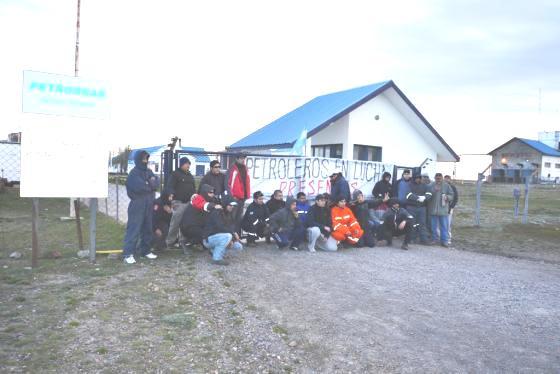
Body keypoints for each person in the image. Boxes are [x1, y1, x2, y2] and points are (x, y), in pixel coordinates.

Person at [122, 150, 159, 264]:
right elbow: (139, 187)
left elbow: (156, 183)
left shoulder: (149, 171)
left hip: (149, 203)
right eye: (143, 159)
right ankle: (128, 254)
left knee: (147, 228)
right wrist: (149, 184)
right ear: (138, 159)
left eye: (146, 158)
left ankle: (145, 251)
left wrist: (150, 184)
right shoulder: (133, 173)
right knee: (134, 229)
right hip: (137, 204)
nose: (145, 161)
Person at [179, 184, 222, 252]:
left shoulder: (208, 200)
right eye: (210, 192)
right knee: (204, 234)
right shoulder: (197, 198)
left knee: (209, 231)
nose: (212, 194)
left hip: (197, 225)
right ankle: (185, 242)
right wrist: (214, 206)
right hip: (188, 226)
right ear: (205, 192)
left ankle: (197, 244)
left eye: (213, 192)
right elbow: (203, 205)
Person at [165, 157, 196, 249]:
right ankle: (170, 242)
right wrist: (170, 196)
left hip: (189, 203)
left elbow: (193, 188)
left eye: (189, 164)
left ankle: (182, 241)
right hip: (178, 203)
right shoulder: (175, 174)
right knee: (175, 223)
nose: (188, 166)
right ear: (182, 164)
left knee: (185, 223)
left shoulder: (190, 176)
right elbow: (169, 186)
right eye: (187, 164)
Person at [203, 195, 243, 265]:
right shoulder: (217, 212)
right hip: (208, 239)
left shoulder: (229, 214)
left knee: (238, 246)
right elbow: (220, 228)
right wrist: (232, 235)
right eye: (230, 205)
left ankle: (214, 251)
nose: (232, 207)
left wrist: (233, 238)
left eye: (233, 205)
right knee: (227, 236)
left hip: (219, 237)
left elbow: (230, 228)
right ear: (225, 204)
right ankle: (217, 258)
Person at [427, 173, 454, 247]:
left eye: (439, 177)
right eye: (437, 178)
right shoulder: (430, 185)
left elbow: (452, 195)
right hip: (433, 209)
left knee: (444, 226)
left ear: (442, 178)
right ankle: (433, 239)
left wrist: (447, 197)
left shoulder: (446, 186)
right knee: (433, 226)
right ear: (435, 178)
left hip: (443, 210)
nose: (438, 179)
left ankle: (444, 241)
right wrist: (433, 191)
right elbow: (427, 195)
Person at [227, 153, 251, 234]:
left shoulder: (245, 168)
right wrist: (231, 196)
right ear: (236, 159)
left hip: (242, 197)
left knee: (238, 219)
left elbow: (247, 182)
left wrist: (247, 194)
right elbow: (228, 184)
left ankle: (237, 237)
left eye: (244, 158)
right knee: (231, 218)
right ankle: (230, 237)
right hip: (234, 198)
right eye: (241, 158)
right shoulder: (232, 169)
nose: (243, 159)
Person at [406, 173, 432, 245]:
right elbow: (408, 195)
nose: (418, 179)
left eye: (419, 178)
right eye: (416, 178)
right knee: (412, 223)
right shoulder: (409, 185)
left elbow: (429, 194)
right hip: (411, 207)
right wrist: (417, 198)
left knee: (422, 223)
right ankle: (411, 238)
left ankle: (424, 239)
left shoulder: (425, 186)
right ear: (414, 178)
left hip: (422, 208)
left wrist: (424, 197)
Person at [444, 175, 459, 243]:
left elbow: (455, 198)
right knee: (441, 223)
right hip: (442, 208)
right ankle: (441, 237)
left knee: (447, 224)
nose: (446, 180)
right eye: (445, 179)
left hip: (449, 208)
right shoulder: (442, 186)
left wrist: (452, 207)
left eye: (448, 179)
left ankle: (448, 238)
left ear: (450, 179)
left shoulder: (453, 187)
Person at [422, 173, 433, 237]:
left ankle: (429, 234)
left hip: (429, 206)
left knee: (429, 220)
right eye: (424, 177)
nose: (425, 178)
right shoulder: (421, 184)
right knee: (423, 220)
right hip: (422, 206)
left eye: (426, 177)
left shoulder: (432, 185)